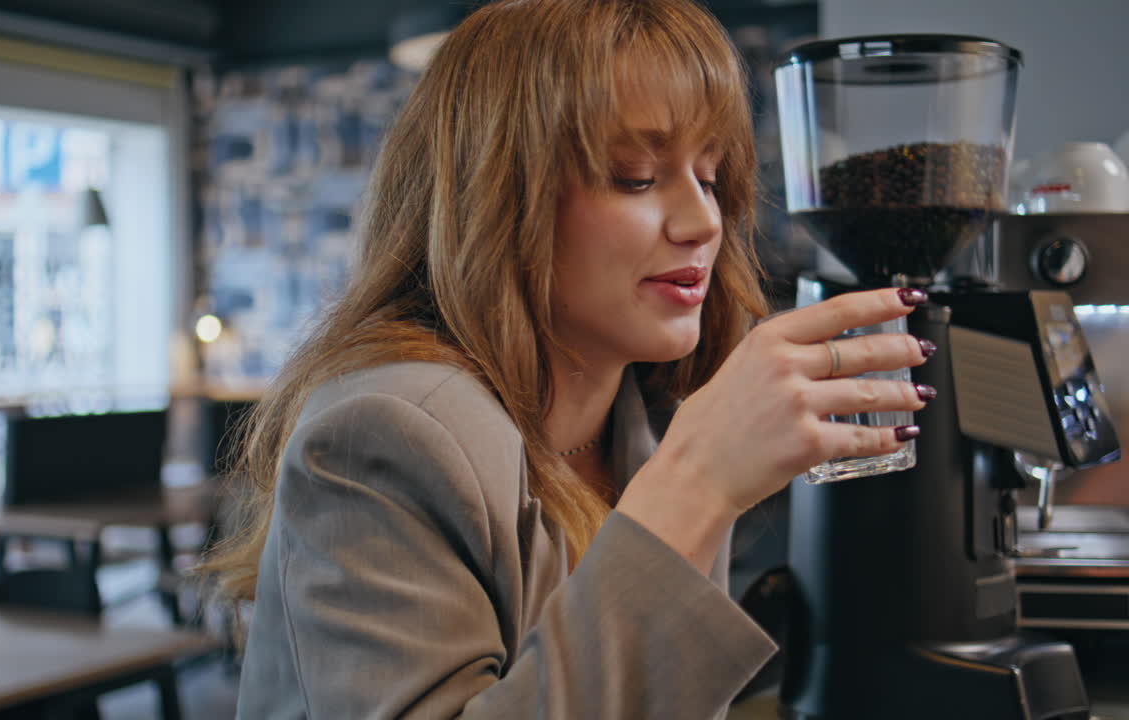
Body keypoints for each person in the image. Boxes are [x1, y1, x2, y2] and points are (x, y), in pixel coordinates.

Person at [202, 0, 933, 717]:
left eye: (710, 178)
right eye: (635, 176)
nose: (704, 221)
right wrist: (699, 486)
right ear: (496, 194)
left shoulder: (640, 424)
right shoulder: (384, 431)